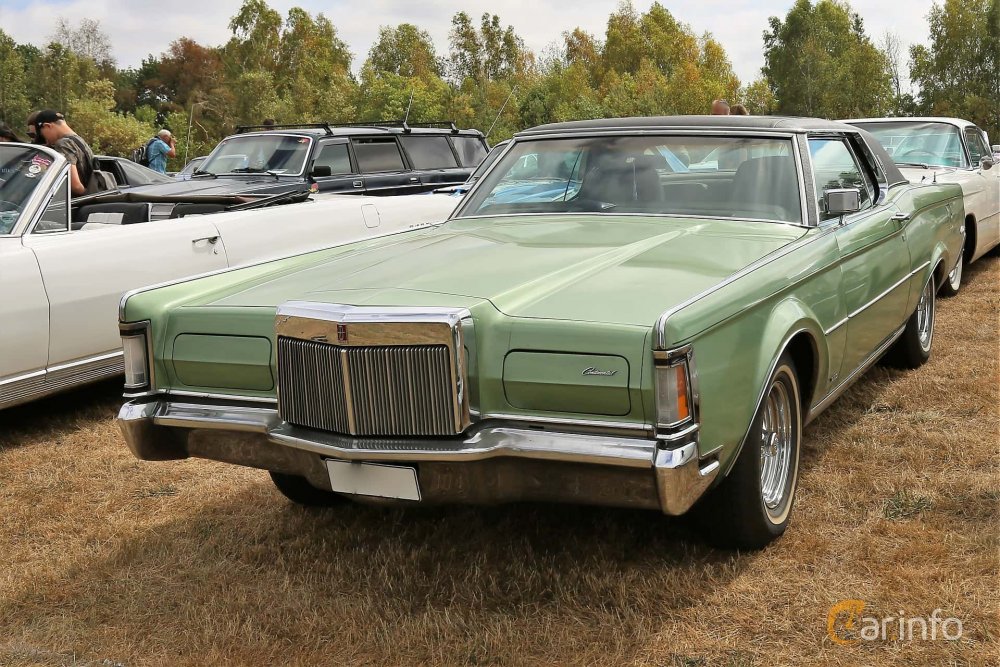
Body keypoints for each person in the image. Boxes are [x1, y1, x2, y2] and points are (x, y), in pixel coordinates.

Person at [34, 109, 94, 196]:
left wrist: (87, 196)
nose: (47, 141)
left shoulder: (63, 144)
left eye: (43, 136)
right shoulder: (79, 140)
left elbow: (75, 186)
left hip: (75, 204)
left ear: (47, 126)